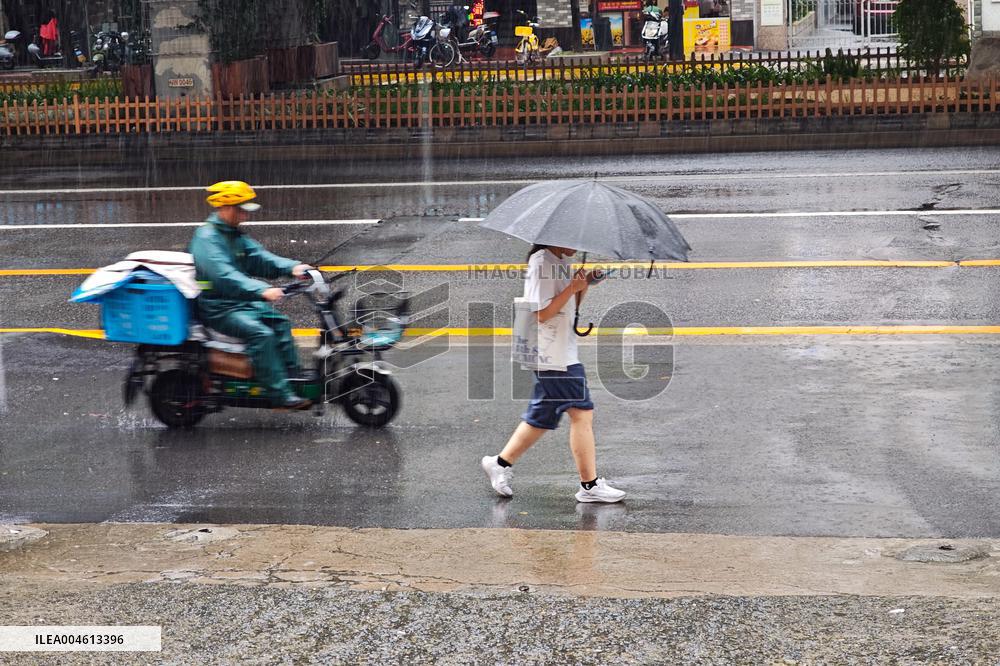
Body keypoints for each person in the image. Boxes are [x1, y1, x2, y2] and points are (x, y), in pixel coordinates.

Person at [481, 245, 626, 504]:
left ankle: (499, 464)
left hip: (559, 349)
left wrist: (585, 284)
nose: (579, 247)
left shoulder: (559, 260)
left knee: (542, 416)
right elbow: (540, 313)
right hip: (552, 354)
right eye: (574, 241)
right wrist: (572, 287)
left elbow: (569, 305)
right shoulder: (541, 263)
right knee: (582, 412)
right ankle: (589, 485)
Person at [189, 181, 314, 410]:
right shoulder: (207, 238)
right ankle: (280, 395)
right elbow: (223, 275)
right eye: (241, 209)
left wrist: (293, 267)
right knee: (261, 335)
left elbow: (260, 258)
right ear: (226, 207)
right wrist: (261, 290)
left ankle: (294, 379)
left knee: (281, 323)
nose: (245, 215)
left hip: (241, 303)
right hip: (219, 309)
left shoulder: (232, 234)